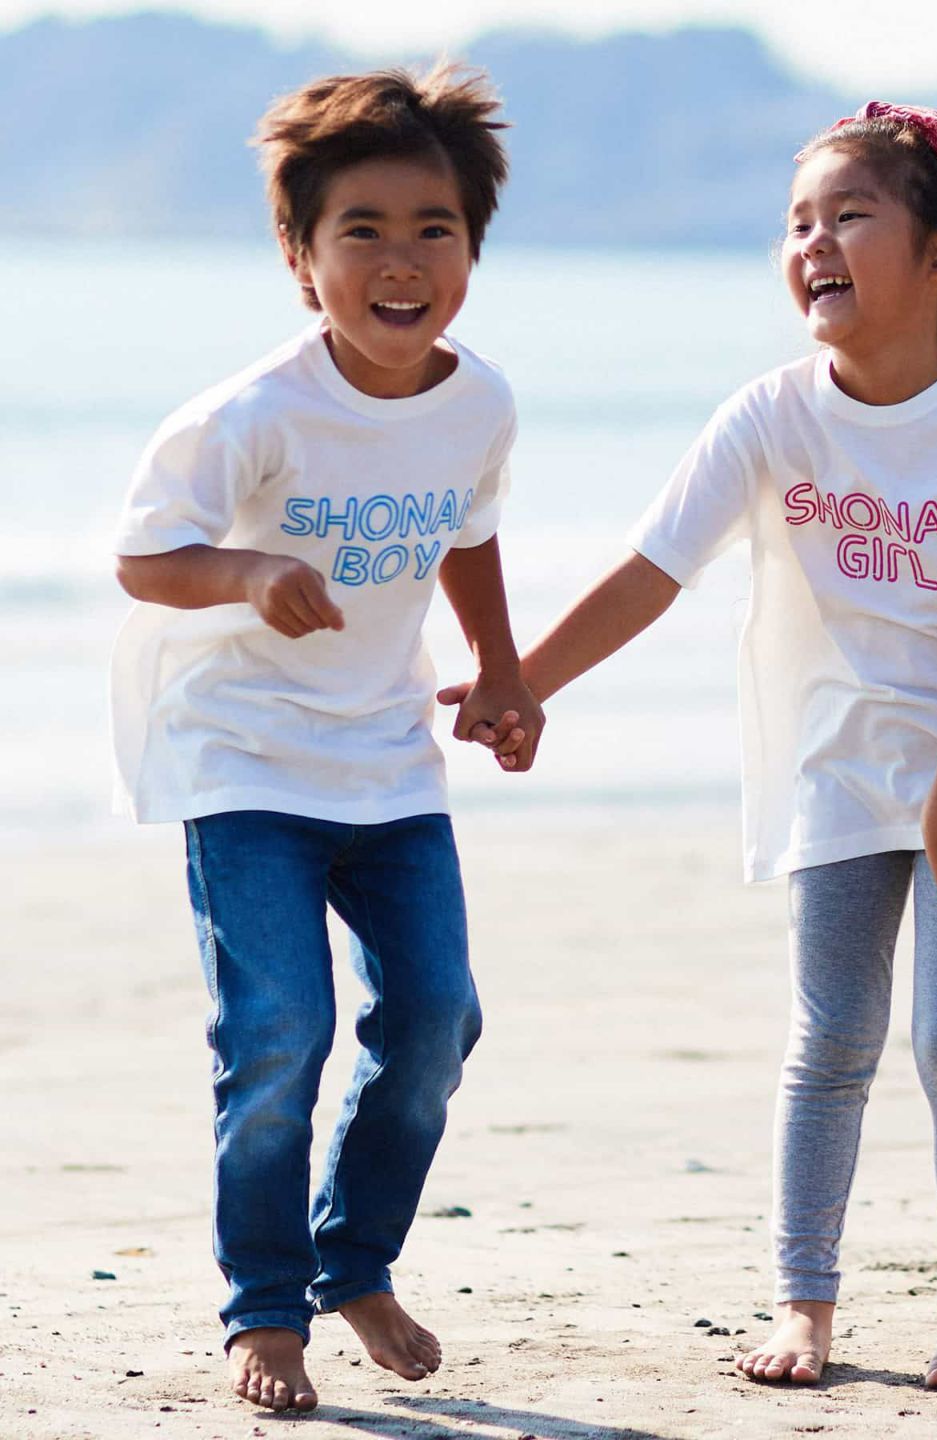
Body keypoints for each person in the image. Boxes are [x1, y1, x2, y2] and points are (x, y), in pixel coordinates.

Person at [441, 101, 937, 1389]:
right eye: (798, 223)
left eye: (850, 215)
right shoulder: (770, 415)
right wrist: (523, 684)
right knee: (831, 1040)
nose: (814, 243)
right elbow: (651, 572)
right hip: (837, 761)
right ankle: (805, 1304)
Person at [110, 65, 542, 1415]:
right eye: (363, 230)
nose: (401, 260)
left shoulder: (481, 402)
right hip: (242, 760)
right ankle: (264, 1307)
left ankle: (354, 1262)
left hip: (386, 761)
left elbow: (468, 529)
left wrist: (502, 669)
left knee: (435, 1018)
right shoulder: (250, 414)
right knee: (279, 1029)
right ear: (301, 256)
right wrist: (248, 573)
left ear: (472, 250)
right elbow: (143, 558)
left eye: (433, 229)